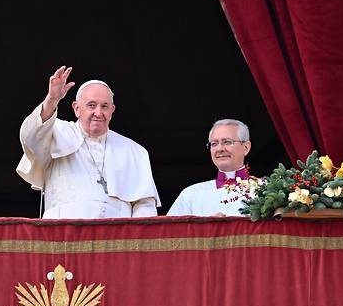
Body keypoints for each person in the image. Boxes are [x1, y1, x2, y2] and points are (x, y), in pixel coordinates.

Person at [17, 65, 160, 219]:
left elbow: (145, 207)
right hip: (63, 236)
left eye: (104, 106)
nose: (98, 113)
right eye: (91, 105)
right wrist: (52, 100)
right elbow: (29, 135)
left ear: (112, 110)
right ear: (77, 108)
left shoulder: (134, 151)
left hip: (115, 240)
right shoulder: (55, 132)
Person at [168, 119, 252, 216]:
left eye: (227, 142)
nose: (220, 149)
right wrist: (204, 228)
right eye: (214, 144)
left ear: (246, 147)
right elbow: (169, 230)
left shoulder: (266, 191)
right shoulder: (190, 194)